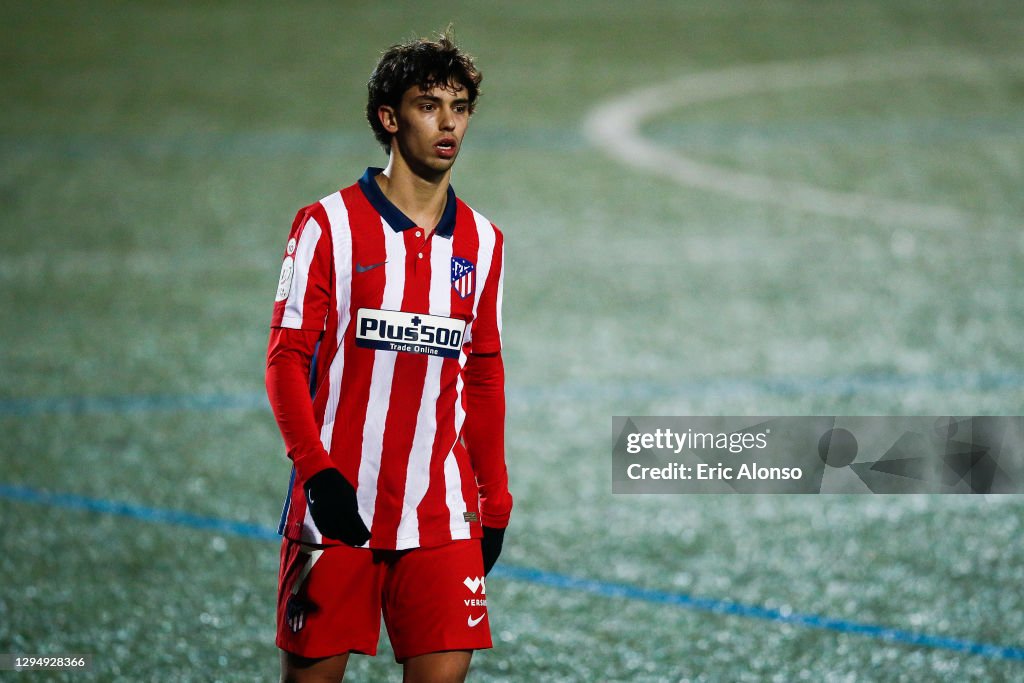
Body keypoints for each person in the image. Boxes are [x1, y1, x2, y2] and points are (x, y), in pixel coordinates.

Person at [264, 30, 512, 683]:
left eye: (459, 106)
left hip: (441, 512)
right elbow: (287, 357)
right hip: (336, 506)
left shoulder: (484, 243)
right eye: (429, 104)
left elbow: (483, 375)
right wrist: (316, 471)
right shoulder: (326, 225)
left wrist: (497, 499)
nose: (448, 121)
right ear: (389, 117)